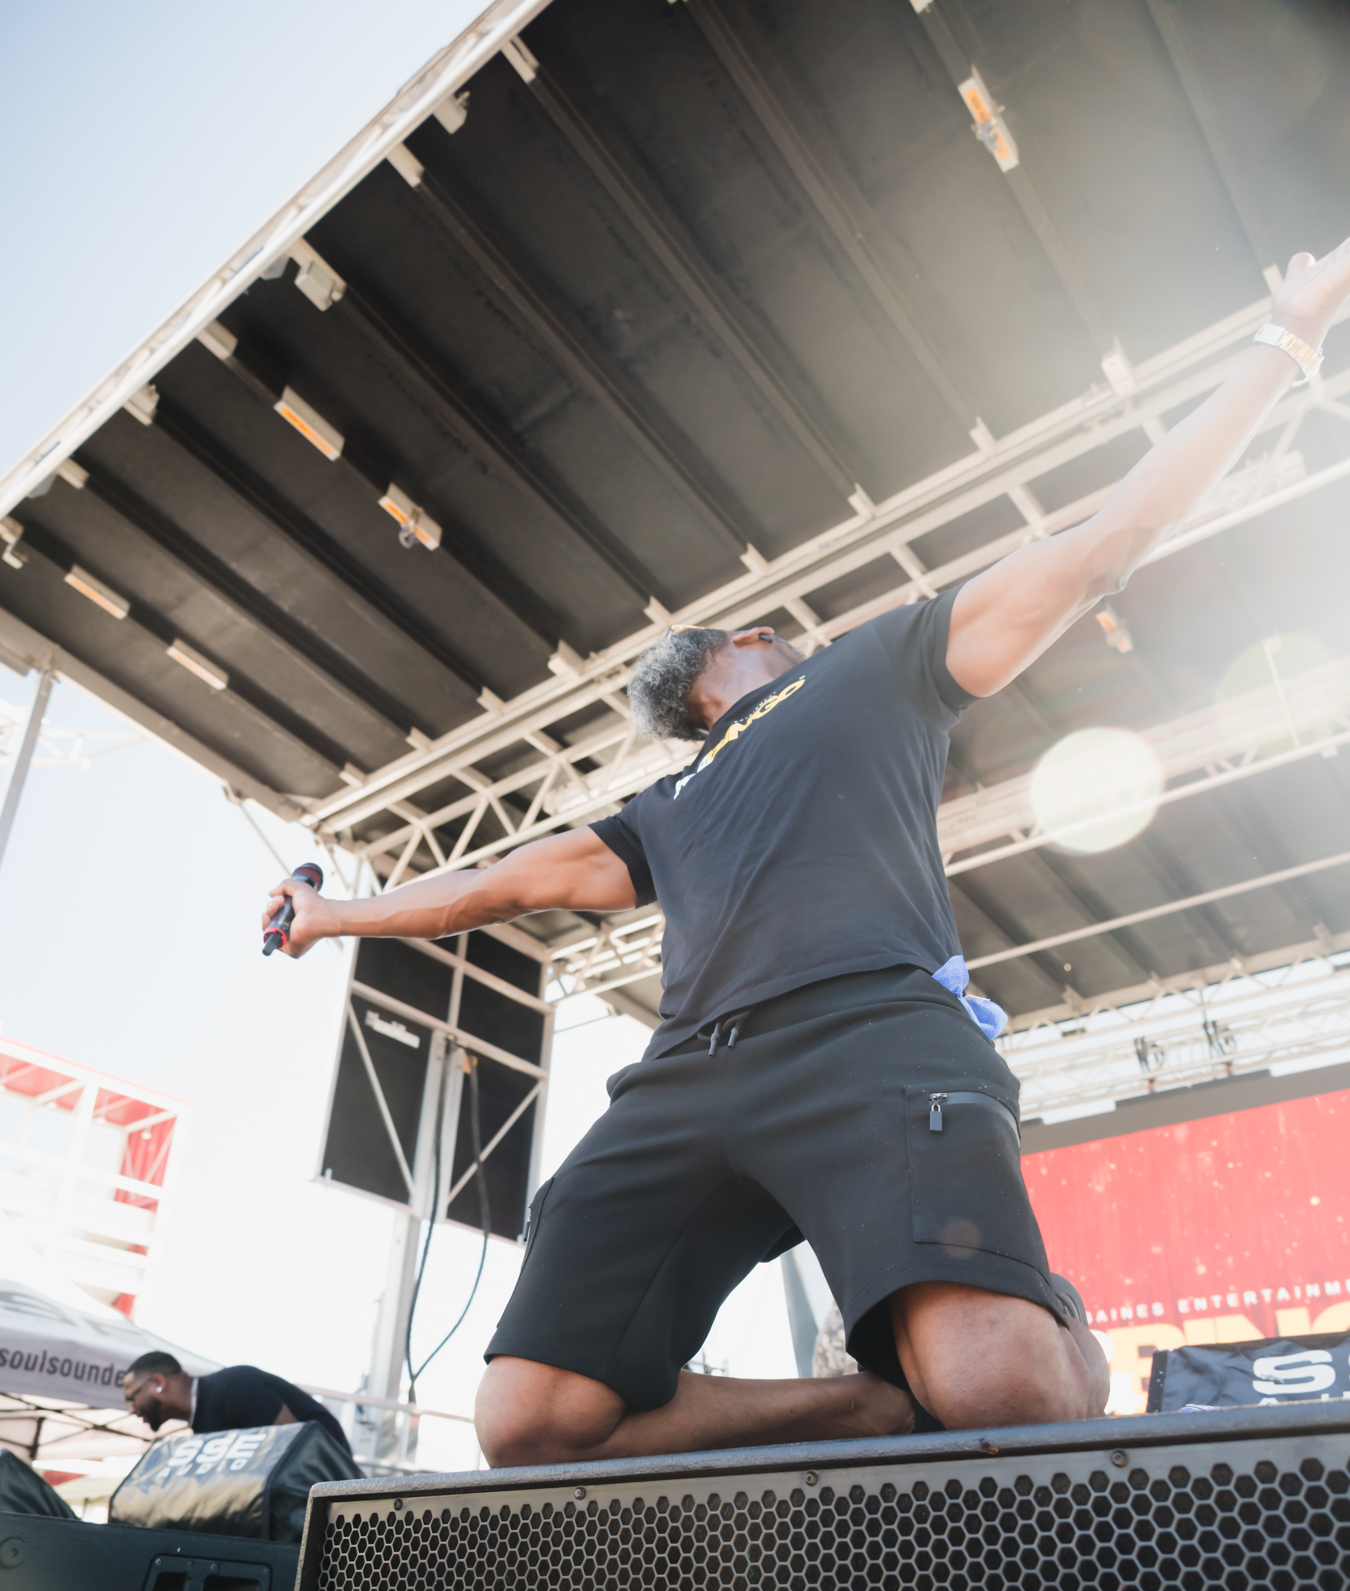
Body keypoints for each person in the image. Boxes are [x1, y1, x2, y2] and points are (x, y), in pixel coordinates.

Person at [265, 244, 1350, 1469]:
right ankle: (868, 1408)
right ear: (730, 654)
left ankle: (1047, 1333)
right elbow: (490, 884)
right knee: (530, 1423)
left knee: (998, 1394)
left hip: (872, 1035)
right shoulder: (664, 804)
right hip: (686, 1076)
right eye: (759, 628)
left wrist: (1287, 338)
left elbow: (1101, 545)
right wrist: (331, 916)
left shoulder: (874, 668)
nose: (781, 629)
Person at [122, 1350, 352, 1456]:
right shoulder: (200, 1425)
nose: (133, 1410)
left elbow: (297, 1448)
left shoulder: (233, 1387)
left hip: (333, 1486)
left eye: (133, 1397)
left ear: (158, 1382)